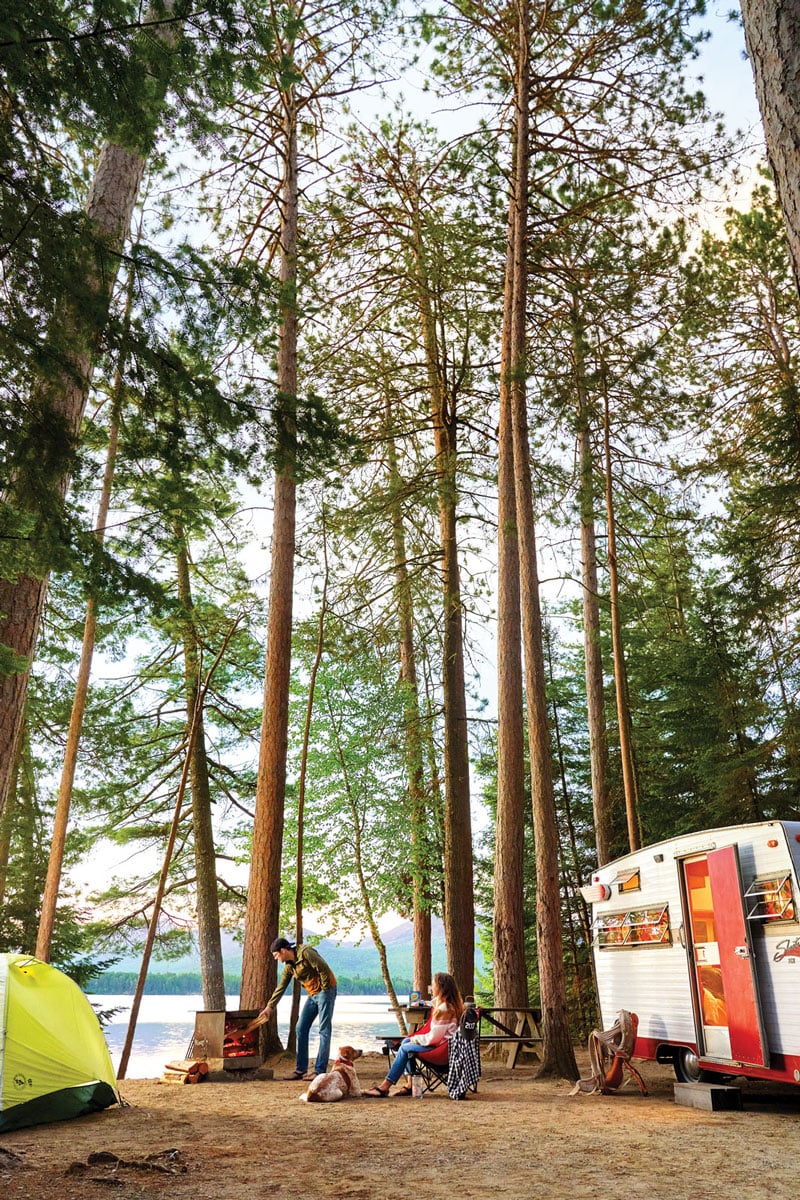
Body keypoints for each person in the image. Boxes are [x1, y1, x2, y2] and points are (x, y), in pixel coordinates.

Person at [364, 971, 463, 1097]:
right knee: (405, 1042)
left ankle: (385, 1087)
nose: (431, 988)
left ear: (441, 987)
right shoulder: (450, 1005)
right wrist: (424, 1003)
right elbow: (433, 1005)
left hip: (441, 1050)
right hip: (446, 1046)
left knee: (405, 1047)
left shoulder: (444, 1009)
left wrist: (415, 1039)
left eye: (433, 985)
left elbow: (433, 1039)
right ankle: (410, 1084)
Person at [258, 937, 338, 1081]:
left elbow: (323, 969)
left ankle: (319, 1071)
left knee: (324, 1029)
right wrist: (270, 1007)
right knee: (300, 1028)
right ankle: (301, 1069)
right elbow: (281, 987)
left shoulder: (306, 953)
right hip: (313, 994)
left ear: (283, 951)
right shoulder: (289, 966)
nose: (276, 958)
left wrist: (325, 991)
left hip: (326, 991)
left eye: (276, 955)